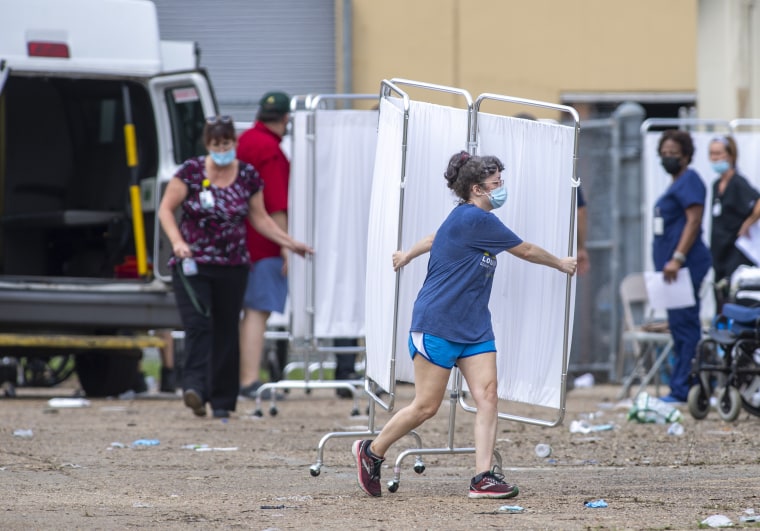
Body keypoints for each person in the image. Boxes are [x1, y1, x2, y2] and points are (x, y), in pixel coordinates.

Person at [352, 152, 577, 498]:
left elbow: (433, 238)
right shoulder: (475, 219)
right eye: (496, 184)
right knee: (426, 406)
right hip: (437, 323)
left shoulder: (464, 219)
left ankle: (483, 477)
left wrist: (409, 254)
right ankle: (372, 451)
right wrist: (561, 263)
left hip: (474, 327)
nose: (501, 189)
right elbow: (527, 250)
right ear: (476, 189)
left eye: (502, 181)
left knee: (488, 396)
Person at [158, 115, 312, 419]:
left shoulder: (248, 176)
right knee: (199, 326)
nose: (222, 149)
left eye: (226, 143)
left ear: (234, 143)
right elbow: (165, 209)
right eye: (216, 144)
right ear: (207, 144)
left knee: (227, 330)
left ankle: (223, 402)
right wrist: (177, 241)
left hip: (233, 265)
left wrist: (288, 242)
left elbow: (260, 217)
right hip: (193, 265)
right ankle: (195, 389)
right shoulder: (189, 172)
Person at [236, 91, 292, 400]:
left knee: (243, 312)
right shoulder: (270, 150)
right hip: (264, 243)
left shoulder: (244, 141)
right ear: (286, 119)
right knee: (258, 313)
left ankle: (236, 377)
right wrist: (285, 244)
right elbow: (276, 204)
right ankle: (249, 380)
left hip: (238, 240)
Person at [653, 129, 712, 403]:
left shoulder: (690, 180)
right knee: (678, 326)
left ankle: (683, 388)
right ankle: (683, 385)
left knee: (686, 326)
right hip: (673, 270)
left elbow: (694, 220)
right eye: (664, 154)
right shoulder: (677, 182)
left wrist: (677, 257)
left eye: (673, 154)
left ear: (686, 156)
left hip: (685, 265)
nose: (668, 158)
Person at [708, 135, 760, 311]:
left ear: (730, 155)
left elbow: (757, 201)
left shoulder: (738, 183)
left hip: (735, 251)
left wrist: (748, 222)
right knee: (719, 295)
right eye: (712, 154)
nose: (715, 158)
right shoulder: (717, 185)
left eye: (719, 153)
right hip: (720, 252)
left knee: (732, 296)